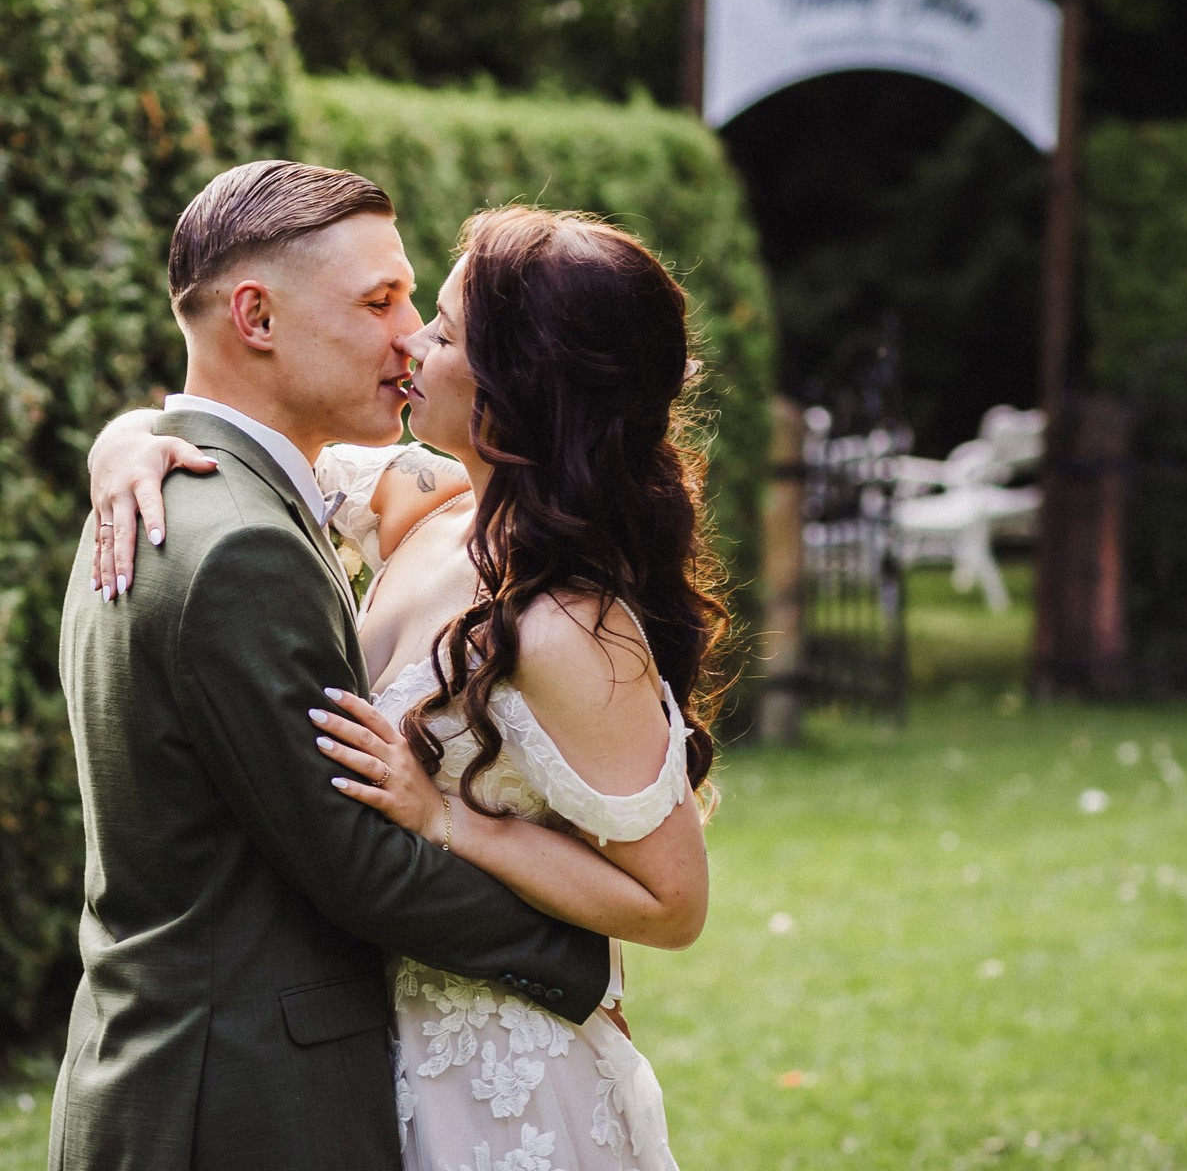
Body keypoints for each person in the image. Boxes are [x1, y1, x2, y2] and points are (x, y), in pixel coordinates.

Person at [88, 204, 726, 1171]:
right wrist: (127, 441)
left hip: (508, 1075)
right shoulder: (416, 497)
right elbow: (236, 435)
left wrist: (451, 824)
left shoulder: (569, 629)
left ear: (519, 383)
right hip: (376, 1050)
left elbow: (674, 903)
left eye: (441, 328)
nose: (409, 343)